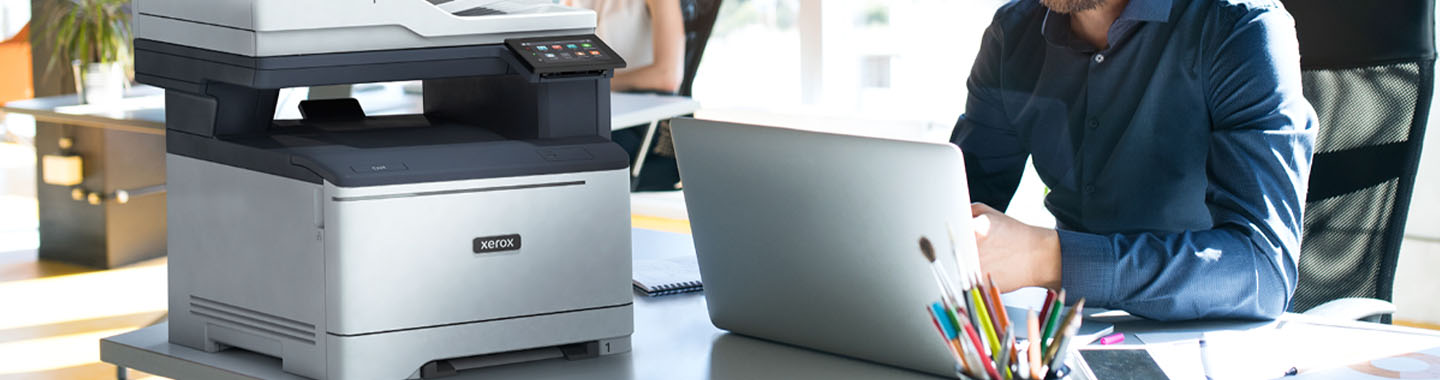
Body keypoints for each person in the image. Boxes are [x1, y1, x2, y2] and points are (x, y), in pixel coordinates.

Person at [953, 0, 1316, 321]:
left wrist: (1049, 259)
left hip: (1206, 341)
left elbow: (1262, 271)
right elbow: (953, 211)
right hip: (1068, 334)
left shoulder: (1239, 25)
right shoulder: (1012, 33)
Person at [566, 0, 687, 191]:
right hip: (604, 113)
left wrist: (598, 81)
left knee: (567, 151)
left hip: (646, 129)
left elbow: (667, 75)